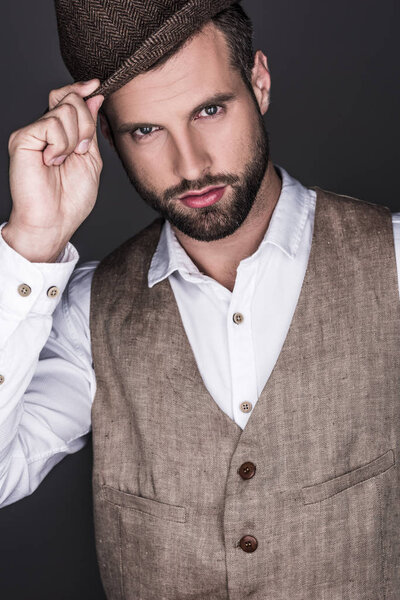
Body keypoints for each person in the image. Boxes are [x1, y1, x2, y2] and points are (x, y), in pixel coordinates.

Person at [1, 1, 399, 598]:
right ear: (107, 136)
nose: (190, 166)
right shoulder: (89, 312)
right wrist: (31, 242)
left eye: (210, 110)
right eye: (147, 130)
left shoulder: (391, 262)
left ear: (259, 82)